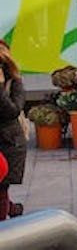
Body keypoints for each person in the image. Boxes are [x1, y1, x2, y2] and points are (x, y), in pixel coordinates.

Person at [0, 40, 26, 219]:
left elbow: (12, 111)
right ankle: (12, 209)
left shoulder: (14, 82)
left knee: (1, 188)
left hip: (9, 143)